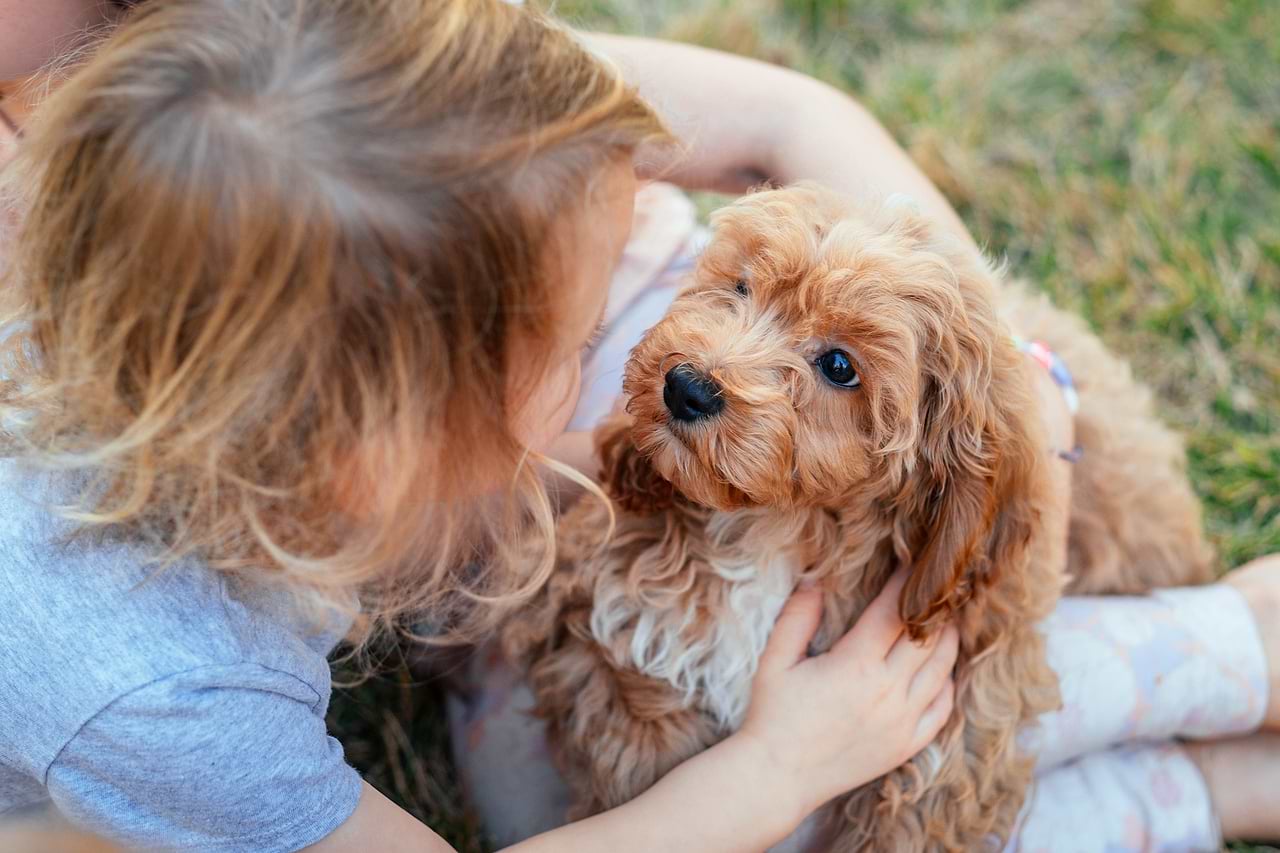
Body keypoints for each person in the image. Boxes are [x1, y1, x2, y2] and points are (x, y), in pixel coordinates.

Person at [0, 1, 1274, 851]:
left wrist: (1004, 388)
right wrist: (776, 766)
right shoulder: (162, 686)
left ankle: (1218, 681)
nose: (644, 344)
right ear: (379, 461)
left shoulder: (312, 100)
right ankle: (1212, 717)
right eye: (574, 339)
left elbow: (787, 122)